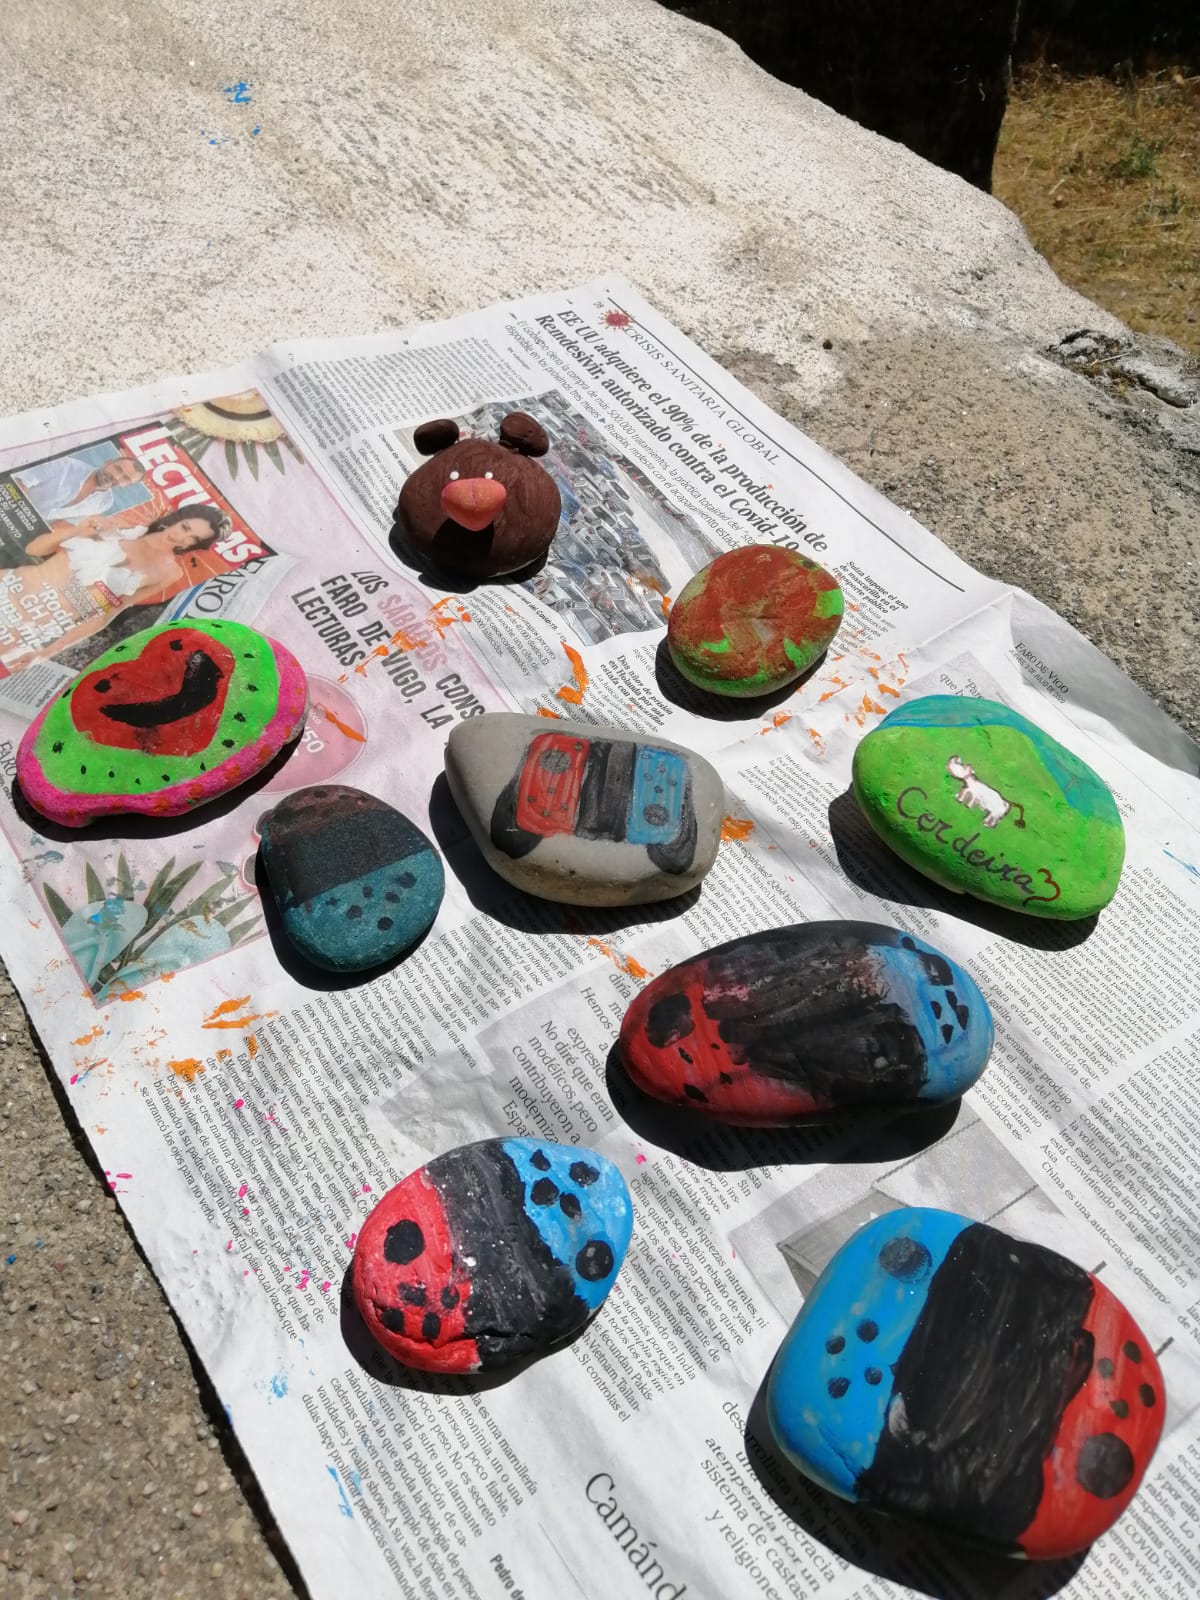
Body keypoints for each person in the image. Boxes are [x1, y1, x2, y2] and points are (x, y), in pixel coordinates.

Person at [0, 504, 231, 670]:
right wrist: (77, 530)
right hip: (9, 585)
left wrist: (47, 652)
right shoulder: (118, 526)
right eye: (185, 527)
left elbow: (105, 614)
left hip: (29, 627)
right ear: (176, 519)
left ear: (196, 545)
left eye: (193, 538)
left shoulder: (169, 572)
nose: (181, 537)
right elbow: (34, 549)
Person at [14, 453, 147, 525]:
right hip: (11, 508)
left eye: (125, 479)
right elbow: (20, 482)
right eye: (117, 469)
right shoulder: (65, 464)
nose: (117, 477)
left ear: (126, 486)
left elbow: (66, 524)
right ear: (108, 463)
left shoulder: (105, 503)